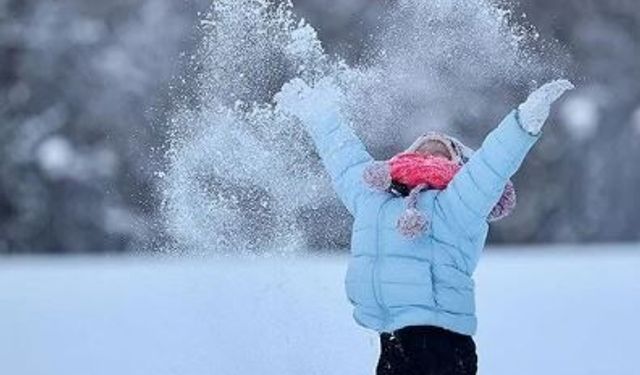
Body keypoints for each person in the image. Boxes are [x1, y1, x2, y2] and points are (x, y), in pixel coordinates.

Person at [275, 77, 574, 375]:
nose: (430, 156)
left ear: (459, 167)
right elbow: (345, 159)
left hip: (443, 338)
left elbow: (491, 166)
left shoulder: (458, 203)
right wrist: (317, 112)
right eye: (423, 151)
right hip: (392, 337)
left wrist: (522, 123)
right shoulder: (375, 199)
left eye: (441, 153)